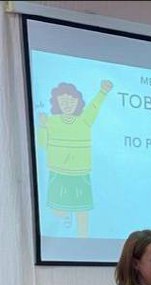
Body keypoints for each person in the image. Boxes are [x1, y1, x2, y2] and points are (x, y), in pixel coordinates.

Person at [37, 79, 112, 238]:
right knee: (57, 210)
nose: (67, 104)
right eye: (63, 101)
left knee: (82, 212)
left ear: (78, 102)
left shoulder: (84, 120)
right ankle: (65, 216)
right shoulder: (52, 121)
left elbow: (94, 107)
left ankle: (84, 240)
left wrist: (103, 92)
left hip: (80, 174)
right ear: (57, 103)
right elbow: (42, 144)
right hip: (58, 173)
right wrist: (42, 127)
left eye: (72, 101)